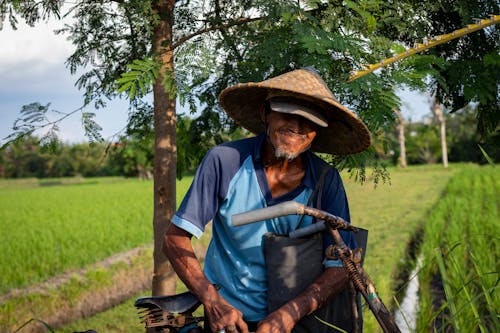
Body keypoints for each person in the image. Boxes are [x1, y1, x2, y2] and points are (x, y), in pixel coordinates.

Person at [163, 68, 371, 333]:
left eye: (308, 121)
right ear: (265, 114)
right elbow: (174, 239)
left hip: (296, 320)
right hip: (229, 321)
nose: (297, 127)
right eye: (288, 114)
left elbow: (342, 265)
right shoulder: (226, 161)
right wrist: (213, 302)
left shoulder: (325, 181)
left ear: (317, 131)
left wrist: (291, 312)